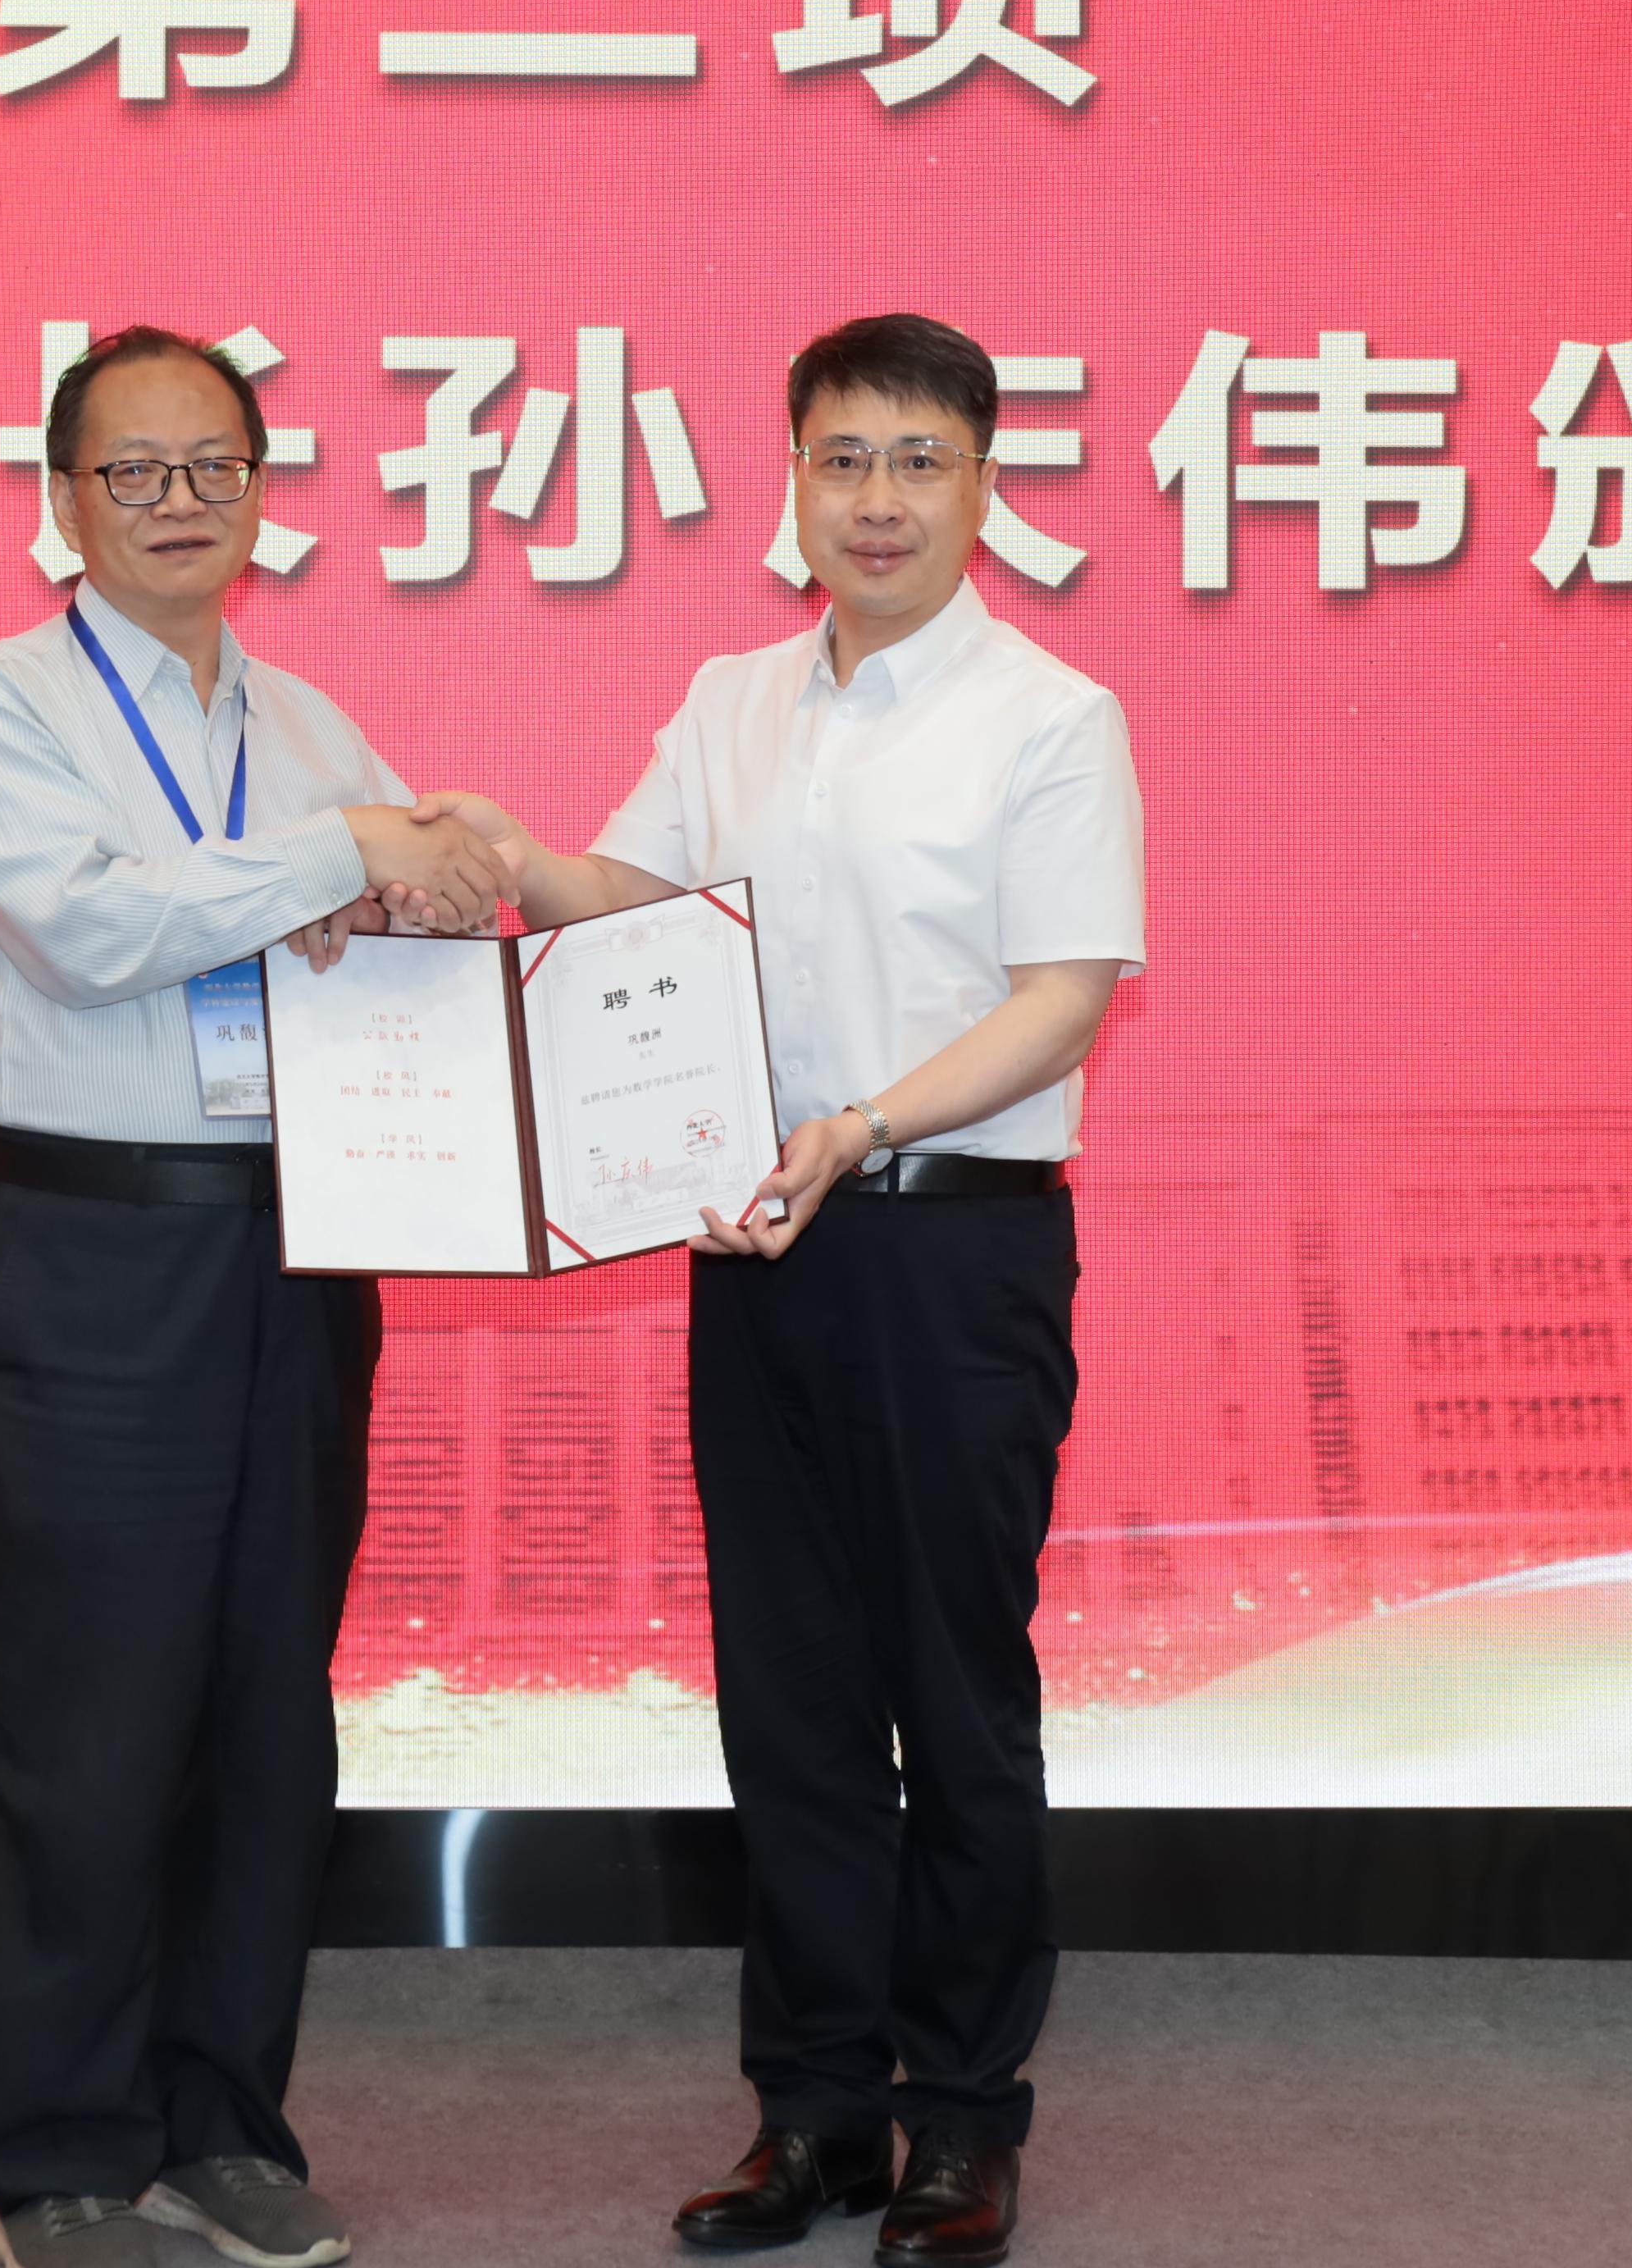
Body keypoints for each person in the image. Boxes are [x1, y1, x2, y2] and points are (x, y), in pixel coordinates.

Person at [445, 313, 1144, 2268]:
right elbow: (629, 903)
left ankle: (964, 2119)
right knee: (793, 1699)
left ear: (986, 482)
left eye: (919, 460)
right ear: (795, 482)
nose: (878, 500)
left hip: (947, 1249)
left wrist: (861, 1124)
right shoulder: (732, 700)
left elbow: (1062, 998)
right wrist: (496, 855)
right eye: (844, 459)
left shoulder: (1050, 718)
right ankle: (818, 2109)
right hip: (760, 1251)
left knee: (955, 1697)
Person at [0, 326, 522, 2268]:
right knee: (93, 1713)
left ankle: (223, 2124)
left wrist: (416, 890)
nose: (178, 502)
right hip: (90, 1247)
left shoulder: (316, 725)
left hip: (303, 1240)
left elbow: (431, 908)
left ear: (262, 491)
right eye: (134, 471)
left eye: (213, 467)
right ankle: (60, 2155)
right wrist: (332, 866)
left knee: (267, 1706)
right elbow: (89, 927)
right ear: (63, 501)